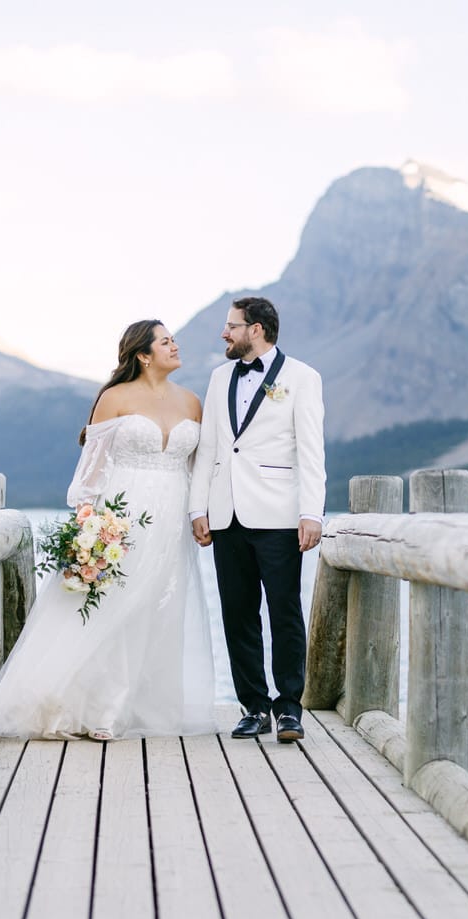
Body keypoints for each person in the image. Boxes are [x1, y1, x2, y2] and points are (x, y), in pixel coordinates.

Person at [0, 320, 216, 741]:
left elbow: (198, 469)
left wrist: (202, 513)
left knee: (157, 607)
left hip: (171, 522)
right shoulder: (115, 398)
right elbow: (90, 470)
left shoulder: (192, 403)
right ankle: (98, 708)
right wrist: (88, 527)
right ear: (143, 355)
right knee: (111, 606)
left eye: (173, 340)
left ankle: (138, 707)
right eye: (166, 342)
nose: (175, 346)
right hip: (121, 516)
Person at [190, 296, 325, 743]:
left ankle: (289, 709)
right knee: (237, 613)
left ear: (257, 329)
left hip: (279, 514)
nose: (224, 333)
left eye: (232, 326)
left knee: (284, 612)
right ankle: (253, 706)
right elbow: (209, 447)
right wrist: (198, 508)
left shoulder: (303, 378)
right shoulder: (218, 377)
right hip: (226, 513)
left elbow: (311, 451)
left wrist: (311, 513)